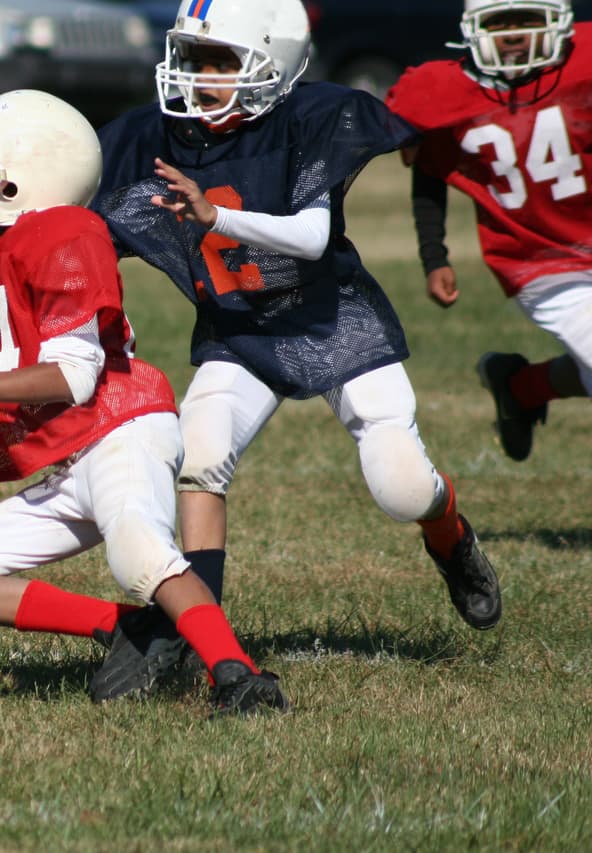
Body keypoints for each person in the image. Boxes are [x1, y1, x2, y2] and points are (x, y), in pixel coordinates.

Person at [0, 89, 287, 715]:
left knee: (141, 556)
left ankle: (239, 677)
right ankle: (131, 629)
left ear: (27, 174)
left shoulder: (64, 231)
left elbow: (73, 376)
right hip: (70, 458)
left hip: (120, 427)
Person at [92, 0, 503, 670]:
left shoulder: (311, 118)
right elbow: (73, 211)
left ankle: (450, 536)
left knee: (400, 487)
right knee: (198, 456)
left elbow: (312, 240)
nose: (198, 77)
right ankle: (205, 636)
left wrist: (215, 214)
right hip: (240, 330)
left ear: (271, 63)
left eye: (220, 62)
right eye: (191, 59)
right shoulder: (152, 136)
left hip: (332, 319)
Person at [386, 0, 591, 463]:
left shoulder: (584, 63)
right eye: (500, 22)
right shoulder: (444, 92)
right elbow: (430, 172)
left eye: (527, 20)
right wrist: (434, 256)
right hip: (541, 263)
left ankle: (519, 387)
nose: (514, 33)